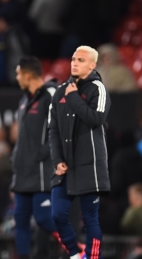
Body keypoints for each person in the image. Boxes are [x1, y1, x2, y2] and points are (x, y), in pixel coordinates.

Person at [49, 46, 111, 259]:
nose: (75, 63)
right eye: (74, 59)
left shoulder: (97, 89)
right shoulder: (60, 92)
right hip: (65, 167)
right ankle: (76, 254)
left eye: (81, 60)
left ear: (92, 65)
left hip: (89, 166)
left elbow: (95, 119)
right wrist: (57, 160)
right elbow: (53, 131)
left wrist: (74, 97)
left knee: (90, 219)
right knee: (57, 214)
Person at [11, 56, 60, 259]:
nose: (16, 78)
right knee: (20, 220)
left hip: (41, 173)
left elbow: (61, 130)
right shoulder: (24, 100)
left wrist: (44, 153)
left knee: (43, 219)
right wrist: (16, 159)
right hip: (23, 174)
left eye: (18, 73)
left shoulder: (51, 94)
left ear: (28, 75)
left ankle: (75, 247)